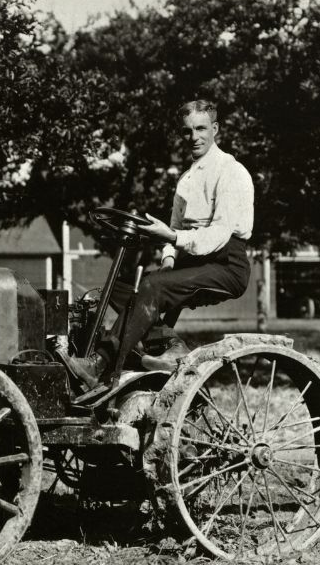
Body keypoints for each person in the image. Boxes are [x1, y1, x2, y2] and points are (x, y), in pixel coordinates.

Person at [67, 99, 254, 387]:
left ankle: (100, 363)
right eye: (187, 132)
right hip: (193, 259)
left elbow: (218, 235)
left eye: (201, 129)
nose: (194, 137)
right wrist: (169, 256)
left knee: (154, 285)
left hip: (226, 264)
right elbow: (176, 226)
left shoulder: (232, 171)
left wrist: (171, 239)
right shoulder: (187, 179)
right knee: (115, 290)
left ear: (215, 129)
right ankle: (170, 343)